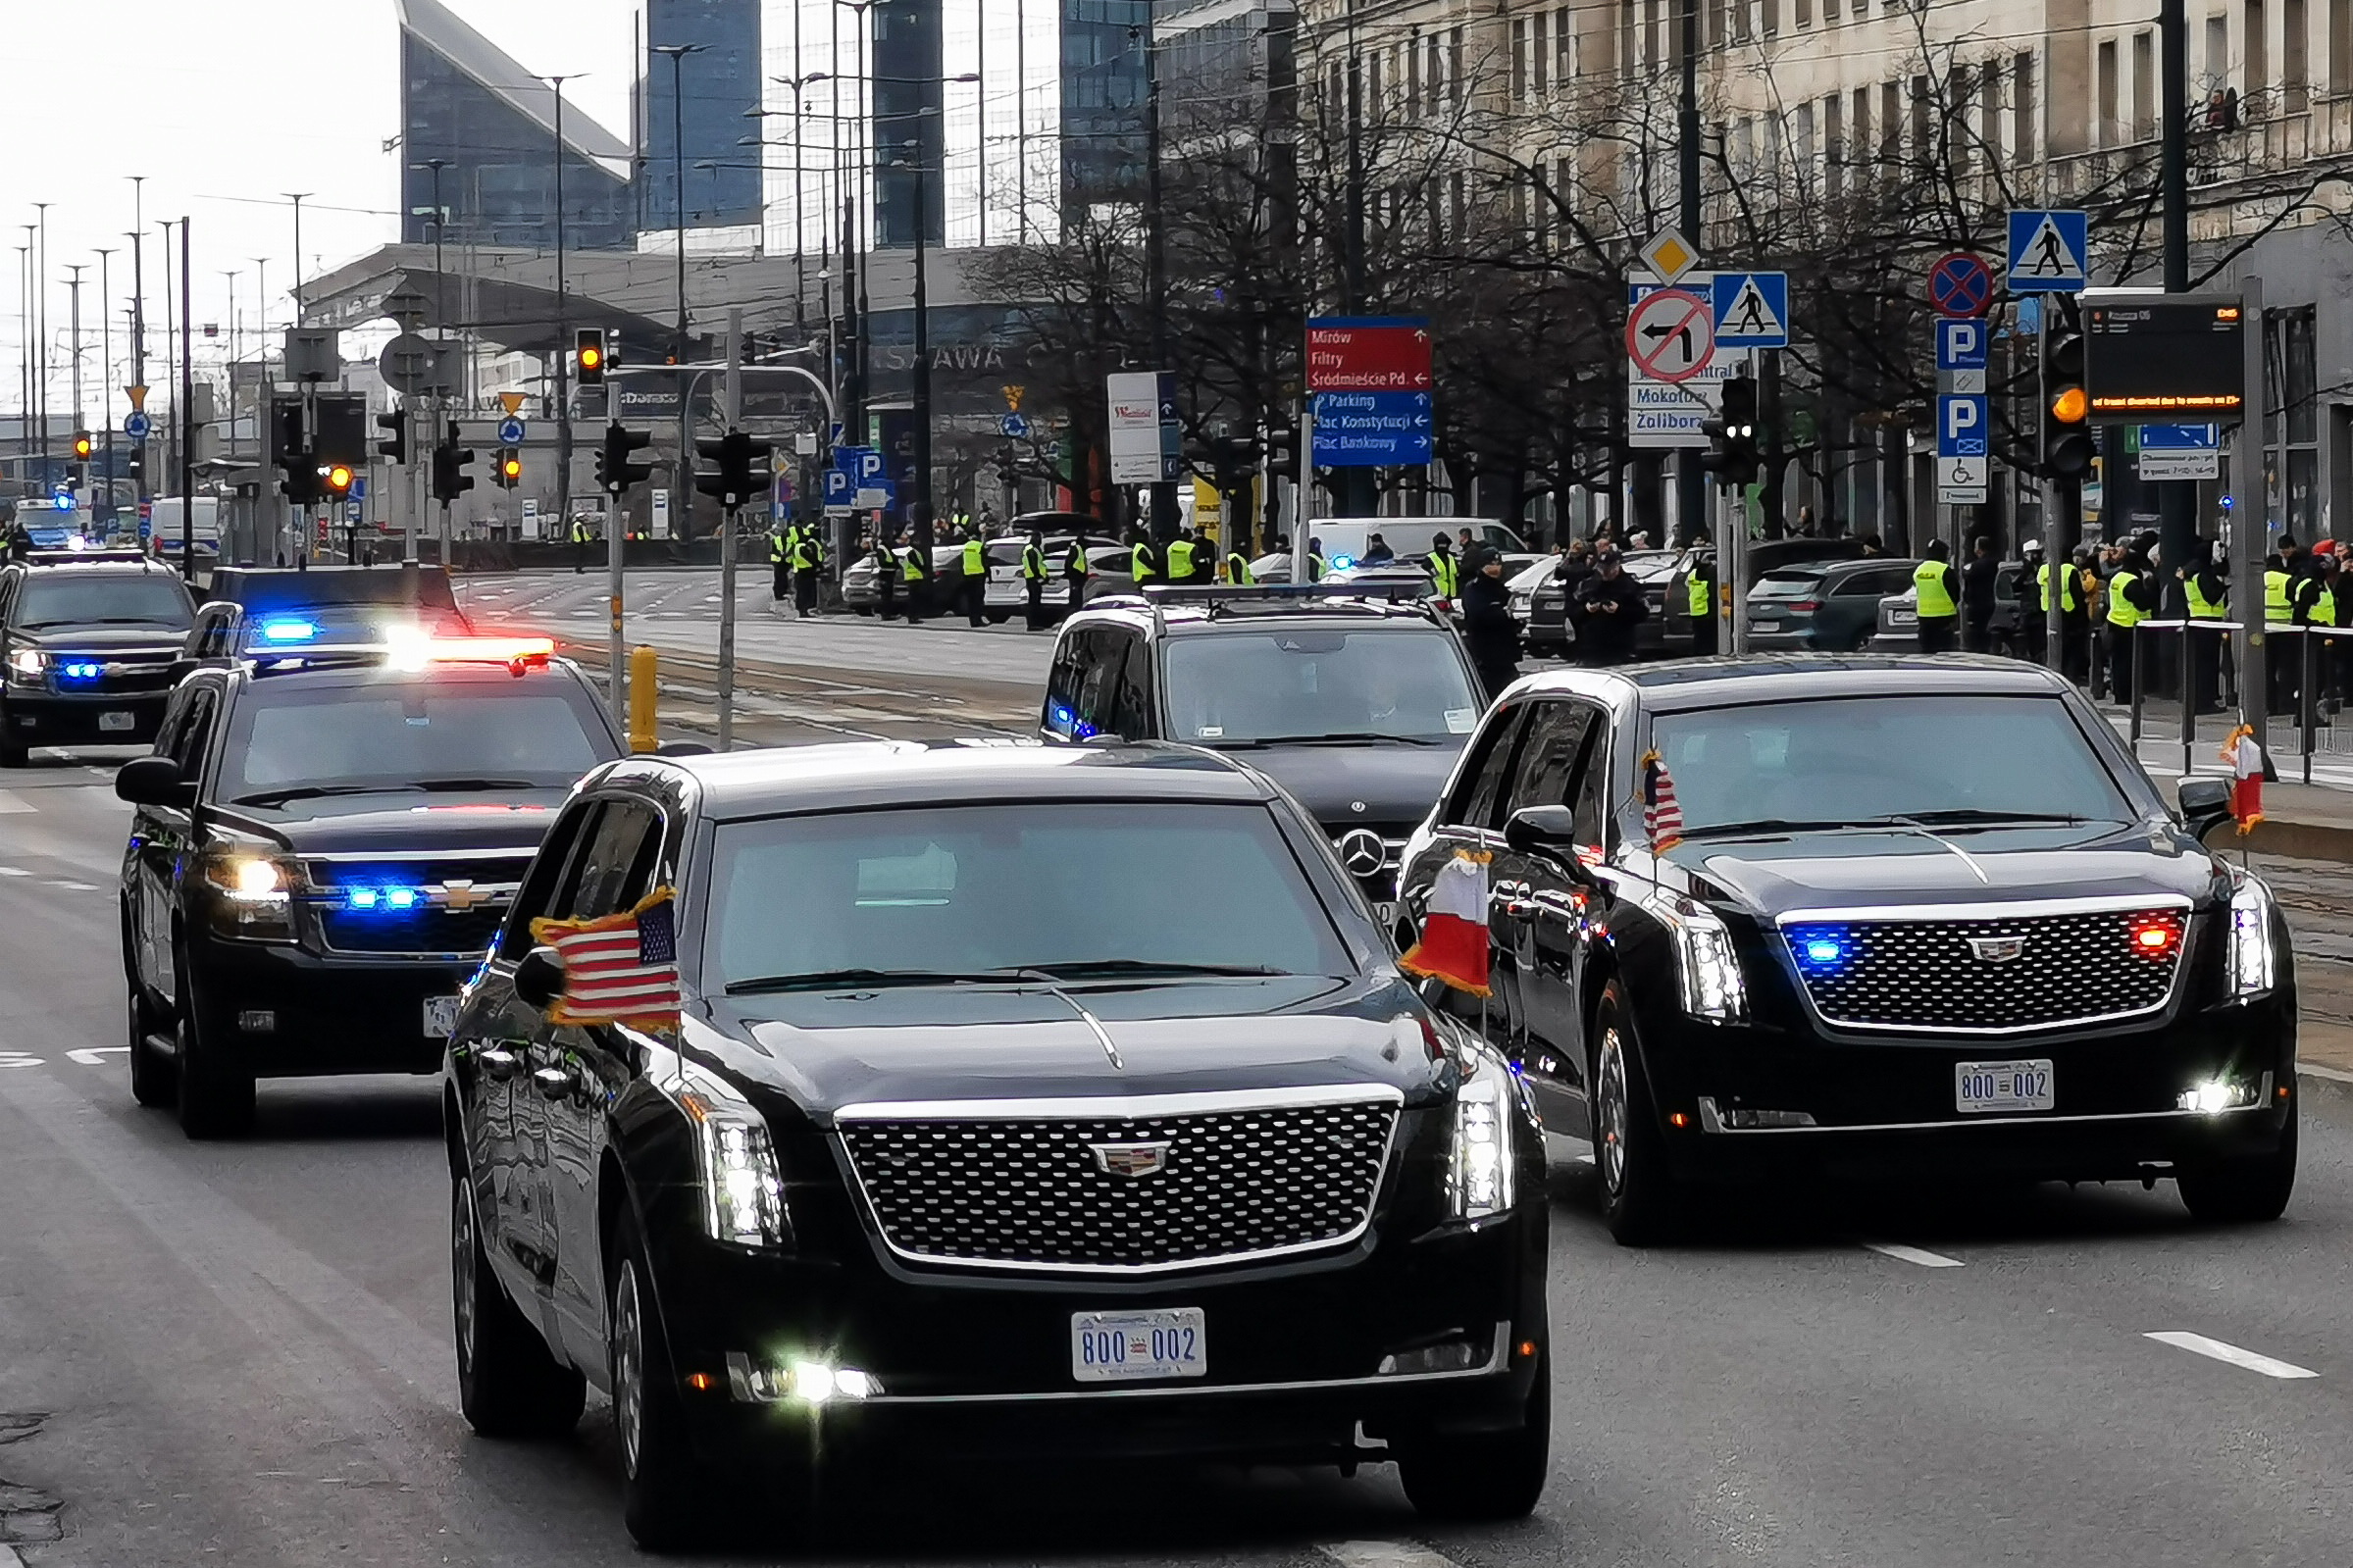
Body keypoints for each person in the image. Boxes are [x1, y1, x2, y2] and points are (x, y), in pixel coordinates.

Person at [1458, 547, 1521, 698]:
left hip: (1504, 655)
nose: (1496, 568)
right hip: (1485, 656)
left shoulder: (1501, 589)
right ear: (1482, 566)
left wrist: (1516, 622)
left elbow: (1509, 614)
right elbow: (1479, 614)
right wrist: (1503, 614)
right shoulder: (1475, 588)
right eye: (1491, 564)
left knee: (1512, 695)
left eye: (1498, 563)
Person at [1574, 545, 1649, 666]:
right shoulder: (1587, 585)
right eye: (1602, 568)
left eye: (1609, 568)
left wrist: (1619, 610)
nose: (1606, 572)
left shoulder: (1629, 586)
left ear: (1617, 565)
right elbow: (1573, 613)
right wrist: (1586, 609)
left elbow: (1642, 613)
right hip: (1592, 649)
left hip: (1620, 650)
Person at [2102, 538, 2157, 702]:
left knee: (2119, 664)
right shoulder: (2132, 582)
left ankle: (2120, 693)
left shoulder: (2118, 577)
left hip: (2115, 623)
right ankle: (2127, 696)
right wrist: (2151, 587)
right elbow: (2143, 603)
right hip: (2129, 627)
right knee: (2129, 665)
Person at [2180, 535, 2231, 711]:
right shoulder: (2202, 574)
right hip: (2208, 621)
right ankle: (2205, 702)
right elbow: (2212, 596)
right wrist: (2223, 586)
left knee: (2199, 664)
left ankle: (2199, 700)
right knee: (2208, 665)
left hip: (2196, 619)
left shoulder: (2191, 572)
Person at [1910, 539, 1962, 654]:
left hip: (1924, 617)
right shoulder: (1944, 570)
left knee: (1927, 652)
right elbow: (1955, 592)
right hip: (1944, 618)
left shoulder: (1919, 570)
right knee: (1945, 653)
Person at [1961, 535, 2000, 653]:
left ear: (1979, 549)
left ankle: (1980, 651)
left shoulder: (1978, 565)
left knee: (1977, 633)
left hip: (1978, 604)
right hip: (1989, 602)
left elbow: (1968, 576)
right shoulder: (1995, 563)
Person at [2018, 538, 2048, 666]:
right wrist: (2027, 570)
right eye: (2033, 553)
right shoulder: (2025, 570)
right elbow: (2016, 586)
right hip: (2029, 612)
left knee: (2040, 643)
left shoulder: (2044, 568)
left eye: (2038, 553)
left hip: (2040, 612)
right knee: (2030, 643)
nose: (2036, 556)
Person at [1685, 547, 1717, 657]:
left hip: (1696, 609)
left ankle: (1699, 652)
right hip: (1707, 609)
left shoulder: (1693, 573)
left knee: (1699, 636)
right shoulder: (1710, 571)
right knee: (1707, 635)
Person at [792, 522, 825, 619]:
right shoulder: (803, 547)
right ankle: (804, 610)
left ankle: (802, 610)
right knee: (807, 593)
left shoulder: (796, 547)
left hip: (800, 572)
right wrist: (819, 567)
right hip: (807, 572)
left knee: (801, 592)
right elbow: (811, 558)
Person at [1019, 528, 1050, 631]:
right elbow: (1034, 565)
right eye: (1039, 538)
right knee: (1034, 602)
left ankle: (1035, 623)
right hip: (1033, 578)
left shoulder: (1033, 549)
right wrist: (1039, 577)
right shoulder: (1031, 549)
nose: (1040, 540)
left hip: (1032, 577)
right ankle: (1032, 624)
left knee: (1035, 602)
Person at [898, 531, 930, 626]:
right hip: (914, 576)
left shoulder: (911, 551)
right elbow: (917, 563)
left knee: (914, 599)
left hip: (912, 576)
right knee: (914, 599)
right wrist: (923, 571)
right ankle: (913, 617)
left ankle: (914, 616)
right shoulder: (911, 551)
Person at [958, 528, 988, 627]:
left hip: (967, 575)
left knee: (971, 600)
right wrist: (988, 575)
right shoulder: (979, 546)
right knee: (978, 599)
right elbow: (985, 561)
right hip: (978, 575)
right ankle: (978, 620)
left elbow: (961, 561)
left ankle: (972, 621)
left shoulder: (966, 546)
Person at [1062, 533, 1093, 609]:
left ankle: (1076, 606)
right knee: (1076, 593)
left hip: (1079, 575)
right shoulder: (1076, 549)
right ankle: (1074, 607)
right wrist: (1070, 574)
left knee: (1078, 592)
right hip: (1076, 574)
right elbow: (1069, 562)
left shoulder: (1080, 549)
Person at [1426, 531, 1460, 598]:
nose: (1442, 548)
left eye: (1444, 544)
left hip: (1454, 597)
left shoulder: (1451, 558)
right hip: (1437, 597)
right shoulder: (1430, 558)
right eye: (1440, 545)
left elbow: (1458, 574)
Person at [875, 534, 901, 622]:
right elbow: (885, 560)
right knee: (886, 595)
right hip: (885, 573)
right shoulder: (882, 548)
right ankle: (886, 614)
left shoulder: (886, 547)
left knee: (888, 595)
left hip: (889, 572)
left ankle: (888, 613)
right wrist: (894, 564)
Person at [770, 524, 793, 602]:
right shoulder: (784, 540)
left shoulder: (777, 539)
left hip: (780, 562)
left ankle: (780, 593)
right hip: (781, 561)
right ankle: (779, 594)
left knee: (780, 578)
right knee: (780, 578)